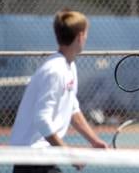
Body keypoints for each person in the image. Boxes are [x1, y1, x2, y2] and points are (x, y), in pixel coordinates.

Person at [10, 9, 108, 173]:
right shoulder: (54, 71)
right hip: (31, 158)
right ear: (80, 37)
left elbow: (72, 109)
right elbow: (42, 119)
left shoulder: (69, 67)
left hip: (44, 158)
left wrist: (94, 141)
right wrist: (69, 155)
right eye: (86, 33)